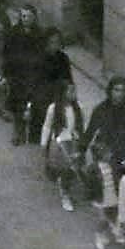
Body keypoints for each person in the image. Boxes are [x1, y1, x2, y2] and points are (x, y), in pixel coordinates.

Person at [84, 76, 125, 183]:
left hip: (124, 150)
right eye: (116, 90)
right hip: (105, 151)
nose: (119, 94)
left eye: (123, 91)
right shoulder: (101, 109)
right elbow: (90, 131)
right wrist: (80, 150)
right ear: (110, 91)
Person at [3, 4, 45, 146]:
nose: (25, 19)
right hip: (18, 75)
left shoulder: (40, 34)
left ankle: (34, 133)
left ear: (34, 18)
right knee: (17, 105)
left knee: (33, 103)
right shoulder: (14, 32)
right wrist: (7, 73)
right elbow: (7, 53)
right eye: (23, 16)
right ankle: (18, 132)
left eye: (29, 16)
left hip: (34, 75)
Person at [40, 81, 84, 212]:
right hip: (60, 143)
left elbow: (81, 126)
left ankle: (65, 187)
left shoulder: (79, 108)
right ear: (63, 92)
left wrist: (81, 142)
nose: (73, 94)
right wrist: (43, 144)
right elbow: (47, 126)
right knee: (64, 168)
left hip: (73, 142)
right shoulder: (54, 108)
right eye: (70, 91)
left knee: (71, 169)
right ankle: (65, 194)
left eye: (74, 91)